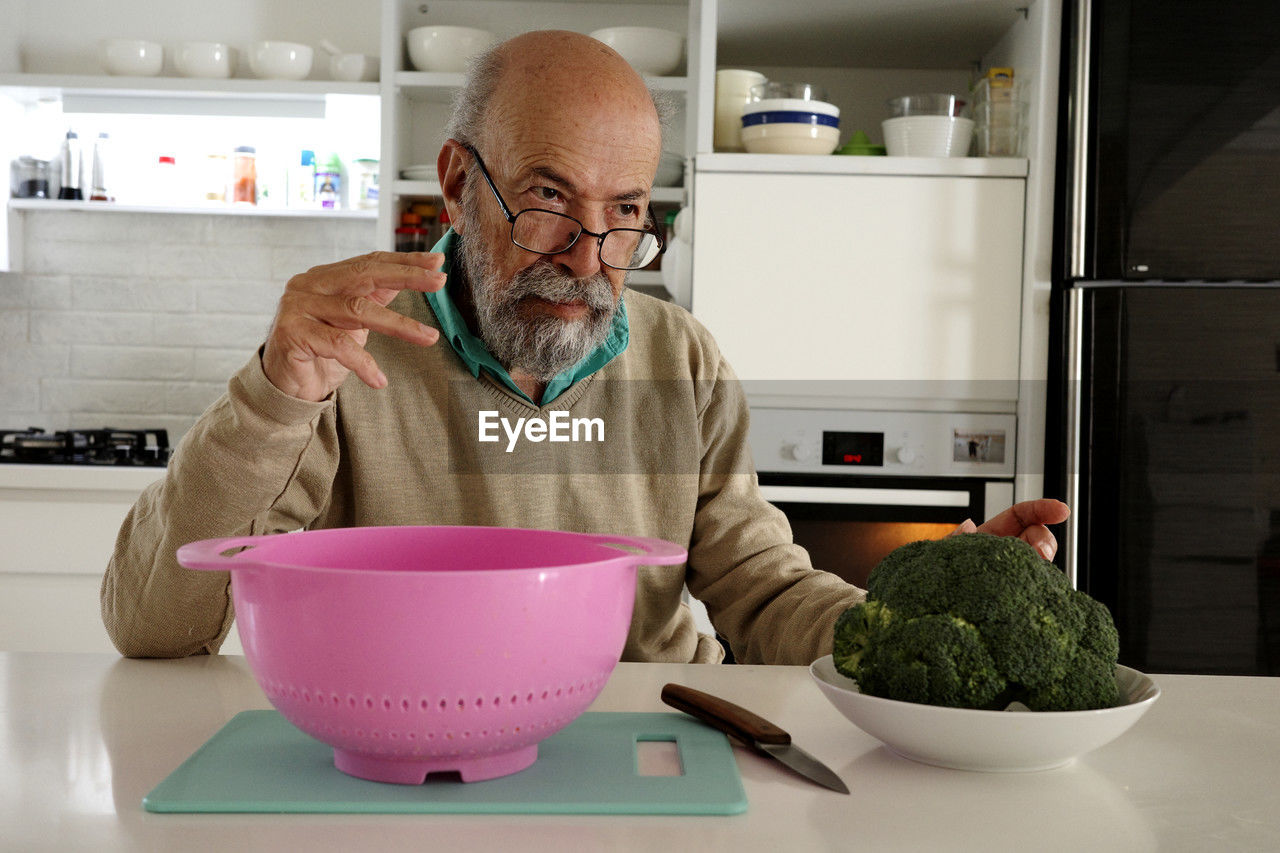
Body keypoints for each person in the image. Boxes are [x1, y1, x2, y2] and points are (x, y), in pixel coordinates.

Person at [100, 30, 1068, 664]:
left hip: (641, 736)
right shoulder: (348, 358)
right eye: (548, 198)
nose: (586, 258)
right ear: (455, 182)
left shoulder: (679, 358)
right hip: (401, 743)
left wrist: (913, 610)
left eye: (626, 213)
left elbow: (758, 591)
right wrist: (276, 394)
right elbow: (151, 625)